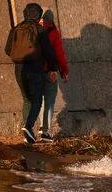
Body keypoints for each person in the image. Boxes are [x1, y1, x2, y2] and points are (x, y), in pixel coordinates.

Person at [5, 3, 57, 144]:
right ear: (38, 15)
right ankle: (28, 126)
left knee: (27, 99)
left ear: (25, 13)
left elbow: (7, 49)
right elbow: (49, 52)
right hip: (35, 70)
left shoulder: (16, 29)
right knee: (37, 100)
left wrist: (20, 57)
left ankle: (27, 132)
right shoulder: (40, 30)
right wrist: (53, 69)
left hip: (19, 70)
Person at [38, 9, 69, 142]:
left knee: (38, 100)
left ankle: (38, 127)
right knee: (49, 101)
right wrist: (64, 71)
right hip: (50, 72)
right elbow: (60, 55)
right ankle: (45, 131)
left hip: (33, 71)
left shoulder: (32, 30)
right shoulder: (53, 33)